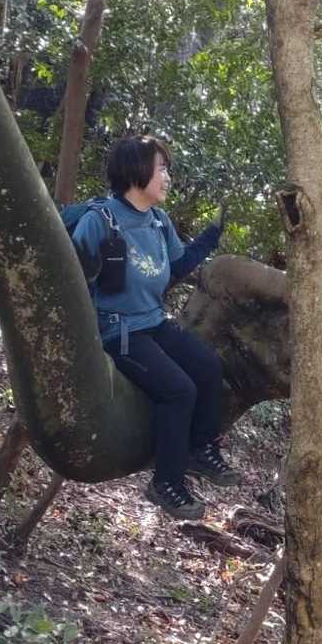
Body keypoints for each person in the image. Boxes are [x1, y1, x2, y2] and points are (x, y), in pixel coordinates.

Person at [71, 134, 240, 520]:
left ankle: (199, 449)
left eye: (167, 169)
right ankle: (166, 482)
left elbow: (177, 267)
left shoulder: (158, 221)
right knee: (179, 390)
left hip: (152, 321)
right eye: (161, 168)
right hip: (118, 331)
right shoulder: (100, 221)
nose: (167, 177)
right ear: (136, 170)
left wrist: (210, 237)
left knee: (208, 367)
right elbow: (71, 281)